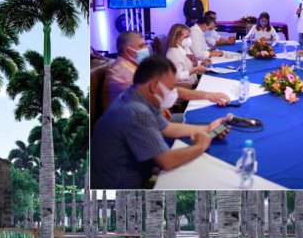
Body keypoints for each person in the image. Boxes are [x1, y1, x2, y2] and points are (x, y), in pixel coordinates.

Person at [91, 56, 230, 189]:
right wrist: (201, 146)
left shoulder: (137, 95)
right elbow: (167, 161)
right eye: (170, 88)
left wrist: (207, 128)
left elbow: (167, 127)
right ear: (153, 86)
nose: (174, 93)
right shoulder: (136, 111)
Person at [106, 31, 230, 109]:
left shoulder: (133, 65)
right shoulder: (122, 74)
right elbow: (165, 94)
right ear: (128, 51)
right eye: (142, 46)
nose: (146, 49)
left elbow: (170, 90)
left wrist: (208, 95)